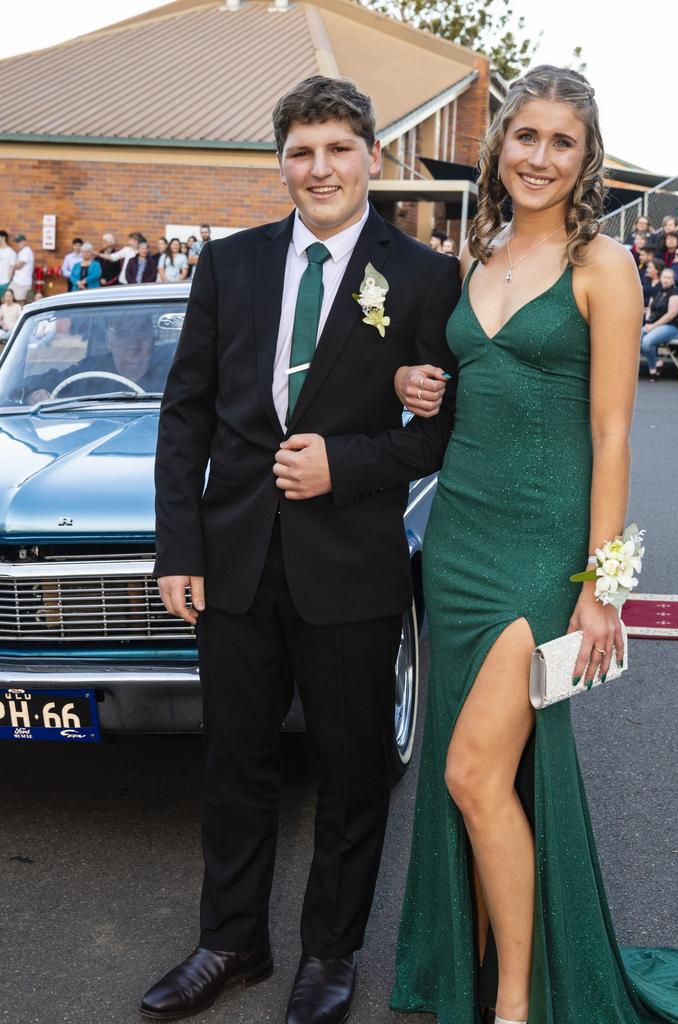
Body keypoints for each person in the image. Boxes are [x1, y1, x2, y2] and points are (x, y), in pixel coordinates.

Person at [390, 64, 678, 1024]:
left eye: (563, 142)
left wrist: (603, 585)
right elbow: (467, 383)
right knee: (485, 777)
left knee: (472, 773)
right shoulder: (476, 259)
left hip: (540, 546)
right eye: (527, 137)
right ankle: (480, 980)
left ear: (586, 156)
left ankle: (516, 1003)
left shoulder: (603, 267)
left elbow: (612, 433)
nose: (541, 157)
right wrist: (420, 386)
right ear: (499, 145)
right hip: (459, 536)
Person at [142, 75, 459, 1024]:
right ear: (280, 162)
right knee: (235, 765)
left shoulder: (426, 278)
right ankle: (231, 942)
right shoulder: (230, 266)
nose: (318, 168)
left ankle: (331, 953)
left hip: (352, 565)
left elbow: (440, 435)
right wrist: (176, 549)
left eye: (337, 149)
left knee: (353, 770)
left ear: (371, 156)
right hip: (234, 563)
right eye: (300, 152)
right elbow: (184, 416)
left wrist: (347, 463)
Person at [23, 312, 170, 402]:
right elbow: (23, 385)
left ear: (152, 335)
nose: (133, 339)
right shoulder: (89, 371)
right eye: (121, 331)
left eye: (140, 329)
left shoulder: (172, 368)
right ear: (108, 338)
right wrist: (32, 395)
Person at [640, 266, 678, 379]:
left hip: (672, 327)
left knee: (647, 341)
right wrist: (648, 321)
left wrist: (653, 326)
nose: (666, 280)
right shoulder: (658, 292)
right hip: (654, 325)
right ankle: (658, 362)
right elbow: (650, 308)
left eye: (669, 278)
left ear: (673, 280)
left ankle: (652, 370)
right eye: (664, 277)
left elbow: (671, 315)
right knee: (636, 339)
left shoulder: (675, 294)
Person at [10, 234, 34, 302]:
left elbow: (20, 265)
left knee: (19, 302)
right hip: (16, 281)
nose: (17, 244)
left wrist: (12, 266)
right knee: (7, 297)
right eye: (16, 242)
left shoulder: (27, 250)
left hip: (23, 283)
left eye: (19, 242)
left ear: (24, 242)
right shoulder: (21, 252)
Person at [0, 230, 16, 299]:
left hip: (4, 282)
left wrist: (8, 282)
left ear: (3, 238)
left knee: (3, 302)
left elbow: (12, 269)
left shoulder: (11, 252)